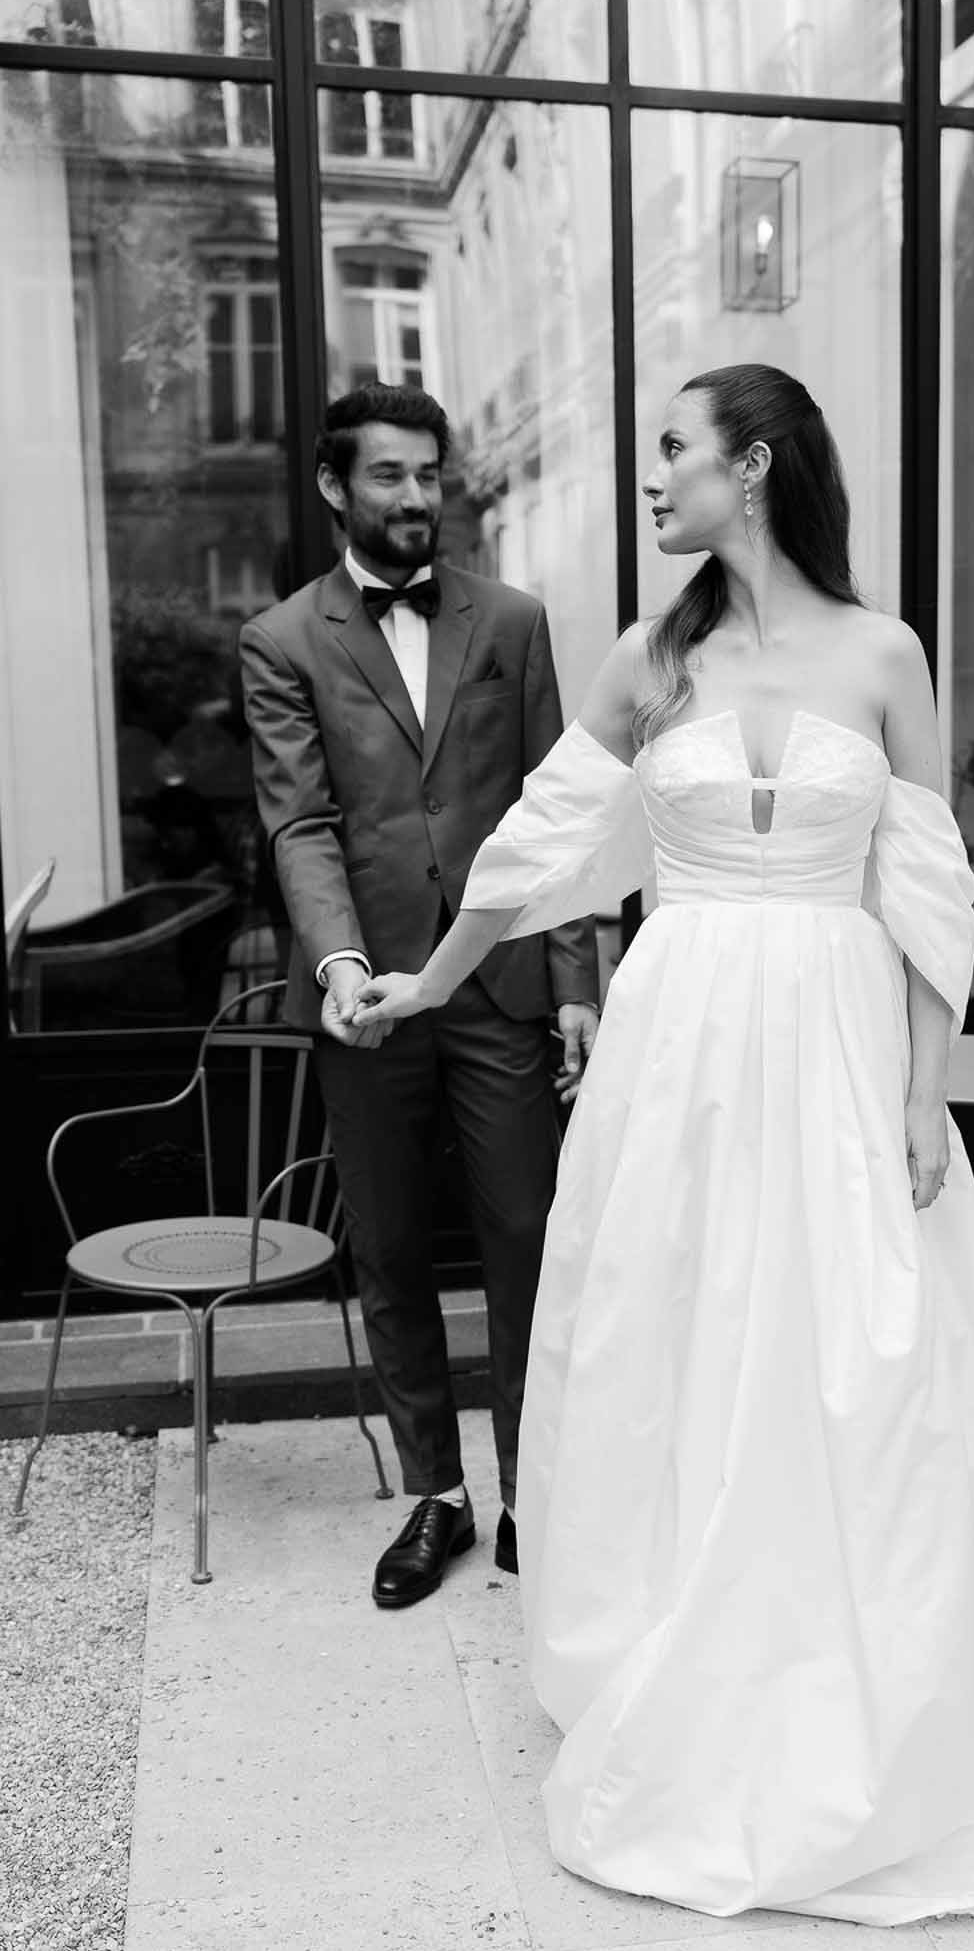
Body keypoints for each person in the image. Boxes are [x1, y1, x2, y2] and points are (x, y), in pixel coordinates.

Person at [352, 365, 974, 1922]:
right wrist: (428, 982)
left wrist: (925, 1092)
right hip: (685, 1046)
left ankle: (870, 1687)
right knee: (689, 1339)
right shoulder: (651, 659)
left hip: (848, 1044)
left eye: (675, 453)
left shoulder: (883, 651)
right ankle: (689, 1655)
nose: (655, 482)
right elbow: (531, 853)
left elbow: (927, 885)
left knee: (858, 1357)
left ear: (758, 466)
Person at [240, 383, 600, 1611]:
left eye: (429, 474)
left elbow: (557, 816)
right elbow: (302, 824)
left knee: (527, 1239)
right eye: (388, 475)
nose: (413, 497)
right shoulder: (283, 640)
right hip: (369, 1002)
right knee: (391, 1248)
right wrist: (343, 967)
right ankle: (435, 1494)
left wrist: (571, 983)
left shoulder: (513, 621)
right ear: (337, 487)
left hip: (499, 987)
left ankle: (533, 1491)